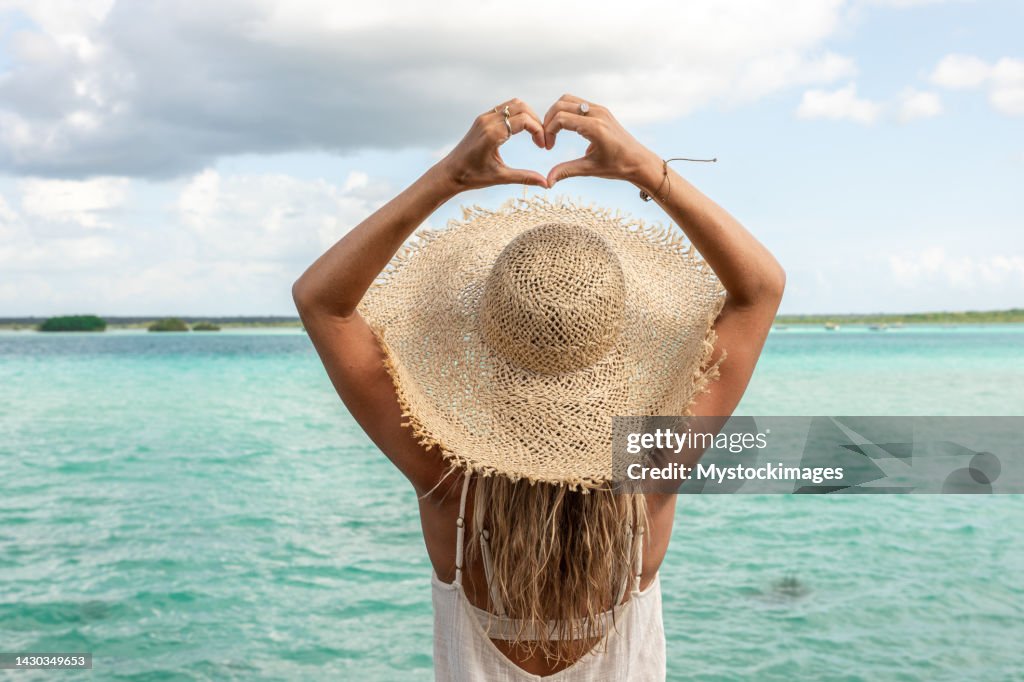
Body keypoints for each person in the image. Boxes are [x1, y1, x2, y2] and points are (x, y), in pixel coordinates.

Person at [292, 94, 785, 680]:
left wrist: (448, 178)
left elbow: (321, 303)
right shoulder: (650, 476)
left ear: (485, 345)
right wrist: (643, 167)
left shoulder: (450, 489)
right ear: (618, 347)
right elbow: (760, 290)